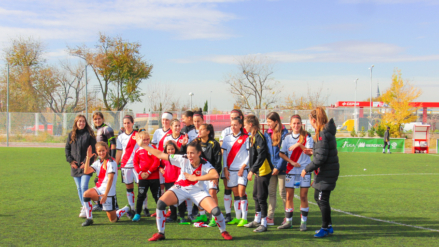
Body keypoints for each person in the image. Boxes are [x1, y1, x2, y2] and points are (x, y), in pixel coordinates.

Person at [142, 140, 233, 241]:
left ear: (199, 153)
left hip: (198, 191)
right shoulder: (182, 158)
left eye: (192, 153)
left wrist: (195, 178)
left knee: (216, 211)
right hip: (180, 188)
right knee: (160, 203)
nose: (189, 155)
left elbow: (215, 174)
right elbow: (160, 154)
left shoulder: (205, 163)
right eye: (188, 152)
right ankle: (161, 233)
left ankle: (224, 231)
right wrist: (143, 145)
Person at [301, 107, 339, 238]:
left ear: (313, 119)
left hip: (327, 172)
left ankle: (325, 227)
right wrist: (312, 151)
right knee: (318, 197)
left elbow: (321, 158)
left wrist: (307, 169)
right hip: (326, 171)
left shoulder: (322, 133)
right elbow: (323, 152)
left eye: (310, 120)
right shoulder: (324, 132)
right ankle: (328, 226)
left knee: (322, 199)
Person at [81, 143, 131, 226]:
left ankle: (126, 208)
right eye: (99, 151)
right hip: (98, 189)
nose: (101, 153)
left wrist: (105, 195)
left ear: (107, 150)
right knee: (86, 194)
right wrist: (88, 157)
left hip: (108, 193)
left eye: (103, 150)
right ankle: (89, 219)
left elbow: (110, 179)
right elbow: (86, 171)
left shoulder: (111, 162)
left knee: (113, 220)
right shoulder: (98, 162)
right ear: (96, 152)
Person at [278, 114, 314, 231]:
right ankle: (288, 222)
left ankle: (303, 222)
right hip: (291, 170)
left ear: (301, 124)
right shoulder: (287, 137)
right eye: (294, 123)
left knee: (303, 196)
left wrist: (299, 144)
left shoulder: (306, 136)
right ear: (290, 125)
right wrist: (291, 162)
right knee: (289, 196)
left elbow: (309, 153)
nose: (296, 125)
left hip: (304, 171)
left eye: (298, 123)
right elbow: (281, 153)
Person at [242, 115, 273, 233]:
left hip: (264, 170)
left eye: (245, 124)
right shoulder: (252, 137)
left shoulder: (259, 137)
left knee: (261, 197)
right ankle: (257, 219)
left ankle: (264, 223)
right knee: (255, 195)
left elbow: (262, 156)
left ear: (250, 124)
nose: (244, 127)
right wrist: (253, 169)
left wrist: (252, 170)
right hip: (258, 171)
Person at [65, 115, 97, 218]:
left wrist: (86, 162)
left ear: (86, 123)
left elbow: (94, 151)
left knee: (84, 186)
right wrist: (71, 161)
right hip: (75, 166)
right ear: (76, 123)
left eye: (83, 121)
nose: (81, 123)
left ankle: (86, 207)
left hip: (86, 166)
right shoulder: (71, 135)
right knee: (79, 187)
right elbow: (67, 149)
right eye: (79, 121)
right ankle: (85, 206)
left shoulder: (90, 135)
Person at [222, 117, 250, 227]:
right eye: (231, 125)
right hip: (230, 170)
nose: (233, 127)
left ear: (240, 125)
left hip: (242, 170)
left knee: (242, 192)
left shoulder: (246, 138)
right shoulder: (227, 138)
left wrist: (243, 167)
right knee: (236, 194)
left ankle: (244, 218)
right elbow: (224, 154)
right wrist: (225, 168)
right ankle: (238, 218)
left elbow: (249, 155)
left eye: (235, 125)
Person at [219, 109, 245, 223]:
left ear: (240, 118)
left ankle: (240, 216)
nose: (232, 119)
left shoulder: (245, 133)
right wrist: (225, 167)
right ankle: (228, 214)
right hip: (228, 166)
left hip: (239, 168)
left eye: (235, 117)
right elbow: (223, 149)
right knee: (227, 189)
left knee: (240, 192)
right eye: (231, 118)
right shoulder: (225, 132)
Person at [264, 112, 288, 226]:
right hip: (271, 169)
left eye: (270, 121)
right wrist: (271, 167)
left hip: (282, 169)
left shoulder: (285, 133)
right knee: (271, 192)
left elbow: (285, 152)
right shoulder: (267, 134)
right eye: (267, 121)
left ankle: (287, 217)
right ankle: (270, 217)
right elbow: (266, 152)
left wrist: (278, 167)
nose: (268, 124)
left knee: (283, 193)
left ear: (276, 121)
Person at [132, 131, 161, 222]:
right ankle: (137, 214)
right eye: (143, 139)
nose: (146, 141)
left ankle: (160, 213)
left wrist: (148, 172)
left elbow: (157, 162)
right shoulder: (138, 150)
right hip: (142, 178)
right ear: (140, 140)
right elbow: (135, 163)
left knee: (157, 196)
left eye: (147, 139)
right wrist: (140, 173)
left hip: (154, 177)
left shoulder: (153, 148)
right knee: (141, 196)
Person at [198, 123, 222, 226]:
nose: (199, 131)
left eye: (202, 129)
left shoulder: (214, 143)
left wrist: (216, 175)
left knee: (212, 193)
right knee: (199, 194)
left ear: (208, 132)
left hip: (211, 173)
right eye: (199, 129)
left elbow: (218, 160)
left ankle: (214, 217)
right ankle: (202, 214)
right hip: (200, 173)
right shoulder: (196, 143)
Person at [115, 115, 139, 219]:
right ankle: (132, 209)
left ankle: (144, 208)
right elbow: (119, 151)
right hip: (126, 166)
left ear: (133, 123)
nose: (127, 125)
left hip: (138, 165)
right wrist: (115, 164)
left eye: (128, 123)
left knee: (141, 188)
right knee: (129, 188)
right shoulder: (120, 137)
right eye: (125, 123)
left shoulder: (138, 135)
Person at [92, 112, 117, 211]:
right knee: (98, 181)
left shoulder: (107, 129)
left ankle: (112, 204)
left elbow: (113, 144)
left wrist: (112, 159)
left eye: (99, 118)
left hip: (107, 159)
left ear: (103, 119)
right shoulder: (98, 129)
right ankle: (101, 203)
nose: (97, 121)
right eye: (95, 119)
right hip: (101, 159)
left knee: (107, 182)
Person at [160, 140, 188, 223]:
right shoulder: (165, 158)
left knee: (180, 199)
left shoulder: (178, 158)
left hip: (177, 182)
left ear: (175, 149)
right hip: (168, 181)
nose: (170, 151)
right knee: (171, 199)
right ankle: (173, 216)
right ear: (165, 150)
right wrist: (163, 172)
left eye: (172, 149)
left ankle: (182, 216)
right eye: (168, 149)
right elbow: (160, 165)